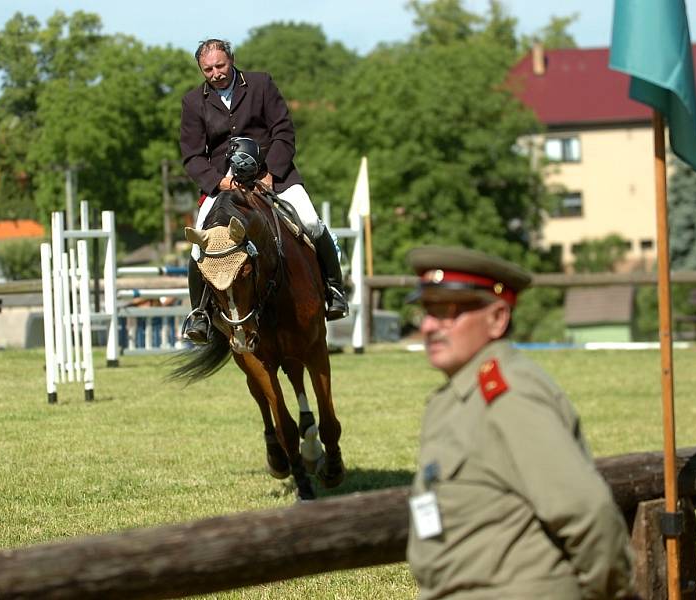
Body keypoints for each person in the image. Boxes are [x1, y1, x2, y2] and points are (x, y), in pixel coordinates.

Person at [405, 246, 636, 599]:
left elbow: (586, 511)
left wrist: (611, 595)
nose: (430, 326)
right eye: (427, 310)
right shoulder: (456, 396)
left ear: (498, 318)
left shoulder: (509, 395)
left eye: (448, 311)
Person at [179, 38, 348, 343]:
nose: (216, 73)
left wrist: (271, 173)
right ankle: (200, 315)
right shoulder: (193, 102)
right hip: (224, 182)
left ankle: (334, 290)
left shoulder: (260, 84)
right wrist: (219, 182)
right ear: (201, 70)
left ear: (231, 60)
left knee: (310, 221)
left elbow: (283, 130)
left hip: (273, 172)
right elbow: (192, 155)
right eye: (208, 69)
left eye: (220, 65)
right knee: (197, 246)